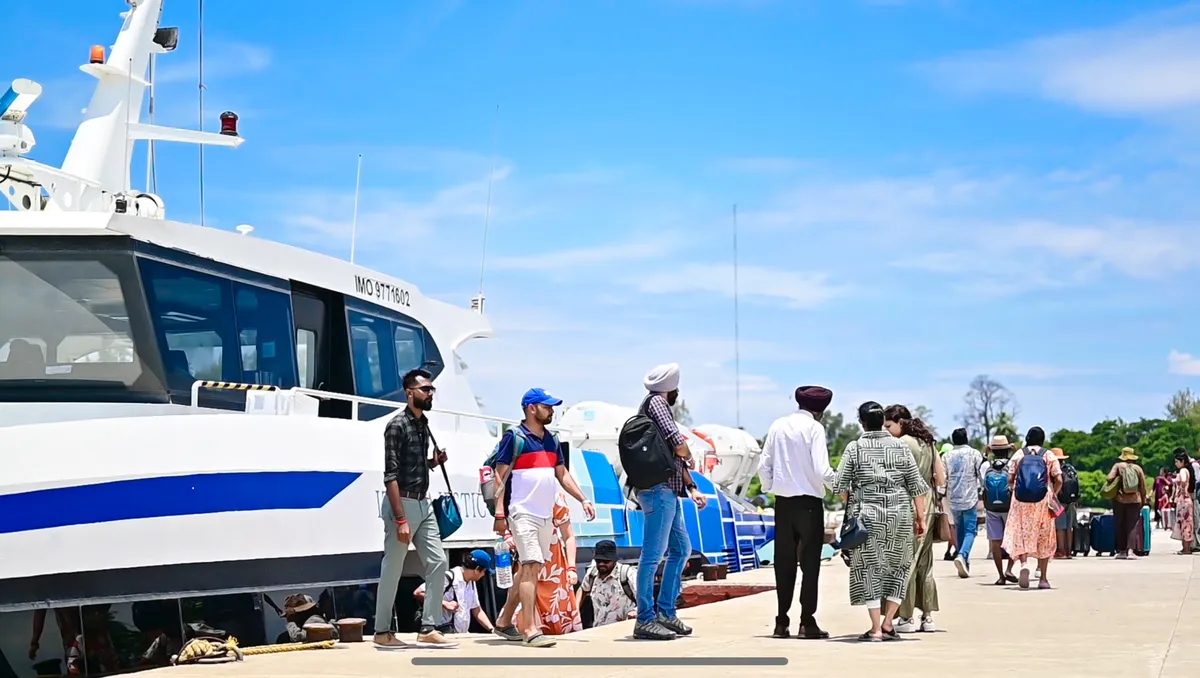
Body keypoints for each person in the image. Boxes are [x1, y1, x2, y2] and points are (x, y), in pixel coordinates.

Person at [491, 388, 595, 648]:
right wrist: (500, 514)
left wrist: (582, 498)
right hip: (522, 512)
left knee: (529, 570)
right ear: (531, 408)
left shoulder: (552, 440)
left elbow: (562, 475)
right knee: (531, 565)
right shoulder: (514, 437)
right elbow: (499, 478)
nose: (552, 410)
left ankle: (504, 621)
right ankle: (530, 628)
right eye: (547, 406)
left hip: (545, 515)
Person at [373, 368, 457, 650]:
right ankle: (382, 631)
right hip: (403, 506)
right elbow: (391, 476)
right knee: (393, 567)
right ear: (410, 393)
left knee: (438, 562)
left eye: (432, 389)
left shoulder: (423, 425)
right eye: (425, 389)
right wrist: (400, 519)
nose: (430, 393)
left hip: (423, 502)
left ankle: (428, 627)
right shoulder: (396, 426)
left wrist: (433, 462)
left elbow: (414, 466)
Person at [833, 401, 930, 642]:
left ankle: (876, 628)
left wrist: (854, 501)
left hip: (867, 517)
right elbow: (917, 487)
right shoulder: (900, 447)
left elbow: (839, 486)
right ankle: (888, 623)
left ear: (862, 423)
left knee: (869, 569)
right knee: (899, 568)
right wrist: (921, 518)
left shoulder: (855, 448)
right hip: (900, 514)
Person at [628, 363, 707, 641]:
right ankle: (645, 619)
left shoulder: (651, 404)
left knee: (681, 549)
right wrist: (687, 453)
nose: (678, 393)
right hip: (658, 491)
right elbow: (676, 443)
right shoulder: (658, 404)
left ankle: (665, 612)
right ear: (670, 387)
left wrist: (692, 487)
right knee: (652, 556)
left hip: (667, 490)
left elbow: (670, 457)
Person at [759, 385, 837, 640]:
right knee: (810, 565)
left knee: (783, 563)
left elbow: (764, 465)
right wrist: (840, 485)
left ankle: (781, 622)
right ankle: (807, 621)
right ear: (820, 411)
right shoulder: (815, 428)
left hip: (783, 504)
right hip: (809, 504)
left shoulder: (778, 425)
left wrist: (771, 487)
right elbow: (823, 469)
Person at [884, 404, 944, 634]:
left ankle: (906, 616)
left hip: (907, 503)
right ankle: (927, 617)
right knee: (925, 563)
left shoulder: (900, 444)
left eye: (889, 425)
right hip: (928, 503)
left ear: (900, 422)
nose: (887, 431)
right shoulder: (928, 443)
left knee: (904, 561)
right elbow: (940, 479)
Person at [1001, 427, 1062, 590]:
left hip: (1021, 500)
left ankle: (1024, 564)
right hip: (1043, 500)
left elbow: (1010, 477)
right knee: (1044, 536)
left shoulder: (1019, 454)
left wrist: (1014, 488)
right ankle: (1043, 578)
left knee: (1022, 532)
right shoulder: (1048, 455)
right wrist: (1053, 494)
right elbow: (1059, 479)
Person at [529, 492, 583, 635]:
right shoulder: (515, 493)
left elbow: (569, 536)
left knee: (558, 612)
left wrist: (571, 567)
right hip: (527, 563)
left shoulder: (553, 496)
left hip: (554, 566)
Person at [413, 550, 496, 635]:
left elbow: (477, 610)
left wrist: (492, 629)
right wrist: (445, 603)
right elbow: (418, 592)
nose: (483, 575)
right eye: (484, 571)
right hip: (442, 633)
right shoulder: (448, 577)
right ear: (477, 569)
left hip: (461, 634)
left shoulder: (471, 583)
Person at [942, 428, 983, 577]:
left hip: (953, 497)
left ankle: (963, 559)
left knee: (959, 528)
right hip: (970, 496)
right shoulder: (974, 454)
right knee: (970, 530)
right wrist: (983, 490)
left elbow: (943, 477)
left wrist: (941, 493)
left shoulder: (947, 456)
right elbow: (981, 474)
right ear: (966, 438)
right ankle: (962, 555)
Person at [981, 436, 1018, 585]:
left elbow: (980, 477)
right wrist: (1014, 452)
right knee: (1013, 540)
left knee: (996, 542)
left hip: (991, 508)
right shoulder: (1013, 464)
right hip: (1009, 507)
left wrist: (986, 453)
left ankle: (1001, 576)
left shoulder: (986, 466)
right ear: (1008, 449)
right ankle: (1009, 568)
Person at [578, 540, 638, 628]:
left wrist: (636, 612)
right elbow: (583, 589)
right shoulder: (592, 574)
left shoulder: (627, 573)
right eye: (598, 561)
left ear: (614, 560)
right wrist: (575, 610)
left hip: (624, 629)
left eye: (605, 561)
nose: (601, 564)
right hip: (599, 629)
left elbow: (644, 597)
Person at [1106, 447, 1147, 559]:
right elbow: (1143, 486)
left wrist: (1118, 479)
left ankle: (1121, 551)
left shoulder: (1118, 466)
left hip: (1119, 500)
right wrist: (1143, 500)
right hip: (1135, 500)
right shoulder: (1138, 468)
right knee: (1132, 525)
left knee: (1120, 525)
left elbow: (1109, 477)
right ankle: (1130, 551)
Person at [1052, 448, 1077, 559]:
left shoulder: (1053, 469)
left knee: (1060, 526)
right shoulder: (1071, 469)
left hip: (1059, 501)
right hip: (1071, 501)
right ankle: (1069, 551)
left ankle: (1061, 550)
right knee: (1069, 527)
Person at [1172, 449, 1195, 555]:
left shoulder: (1182, 471)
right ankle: (1185, 548)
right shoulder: (1186, 470)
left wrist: (1183, 490)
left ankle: (1186, 549)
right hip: (1186, 500)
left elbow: (1184, 480)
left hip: (1183, 500)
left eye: (1177, 461)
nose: (1175, 464)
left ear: (1182, 461)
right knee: (1186, 523)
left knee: (1185, 524)